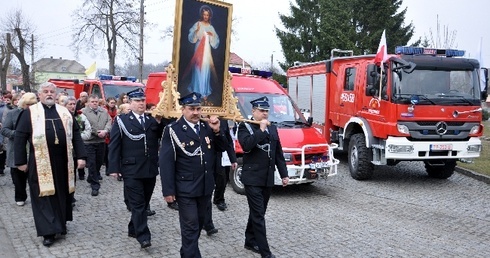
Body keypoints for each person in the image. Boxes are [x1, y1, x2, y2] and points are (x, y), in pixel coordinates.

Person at [14, 82, 87, 247]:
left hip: (63, 160)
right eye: (45, 92)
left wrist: (81, 156)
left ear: (56, 95)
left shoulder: (65, 113)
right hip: (40, 162)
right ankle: (48, 231)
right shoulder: (30, 113)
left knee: (61, 193)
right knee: (43, 195)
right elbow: (20, 137)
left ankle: (60, 225)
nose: (49, 94)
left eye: (52, 92)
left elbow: (76, 135)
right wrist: (20, 161)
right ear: (39, 95)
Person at [159, 92, 226, 257]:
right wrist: (168, 191)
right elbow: (166, 163)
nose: (196, 112)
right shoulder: (173, 130)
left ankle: (186, 252)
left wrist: (217, 132)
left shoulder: (206, 128)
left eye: (198, 108)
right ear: (183, 109)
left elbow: (222, 148)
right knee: (190, 226)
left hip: (205, 186)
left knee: (200, 223)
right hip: (185, 187)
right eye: (191, 109)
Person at [108, 88, 166, 249]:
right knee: (139, 204)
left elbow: (162, 134)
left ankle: (133, 227)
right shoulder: (122, 120)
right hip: (131, 169)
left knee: (144, 201)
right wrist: (114, 167)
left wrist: (161, 120)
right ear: (130, 103)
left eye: (143, 100)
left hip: (150, 168)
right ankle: (143, 236)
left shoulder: (151, 120)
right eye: (137, 101)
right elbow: (114, 145)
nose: (141, 103)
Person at [237, 96, 289, 258]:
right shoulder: (245, 126)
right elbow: (246, 146)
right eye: (261, 111)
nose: (265, 114)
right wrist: (260, 130)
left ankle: (249, 239)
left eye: (267, 111)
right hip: (252, 178)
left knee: (259, 212)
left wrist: (284, 174)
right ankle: (265, 252)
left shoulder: (272, 128)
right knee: (258, 215)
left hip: (267, 178)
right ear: (253, 111)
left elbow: (278, 152)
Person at [0, 93, 37, 206]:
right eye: (28, 104)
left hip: (33, 150)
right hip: (16, 149)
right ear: (23, 104)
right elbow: (4, 130)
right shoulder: (13, 113)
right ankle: (20, 196)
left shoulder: (38, 114)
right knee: (18, 178)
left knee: (34, 177)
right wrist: (19, 134)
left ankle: (36, 197)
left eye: (33, 104)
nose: (30, 107)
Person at [203, 118, 237, 236]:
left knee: (221, 178)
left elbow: (227, 140)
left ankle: (219, 199)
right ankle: (207, 224)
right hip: (203, 157)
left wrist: (233, 159)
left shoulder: (222, 120)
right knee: (206, 189)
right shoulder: (200, 118)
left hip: (217, 155)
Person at [185, 5, 220, 100]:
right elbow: (191, 37)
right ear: (202, 15)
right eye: (204, 14)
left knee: (205, 70)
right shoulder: (198, 24)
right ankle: (197, 90)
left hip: (207, 51)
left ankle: (204, 91)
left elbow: (216, 41)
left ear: (209, 16)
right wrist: (196, 31)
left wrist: (211, 36)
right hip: (198, 50)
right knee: (197, 69)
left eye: (207, 15)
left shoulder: (211, 27)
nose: (205, 16)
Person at [82, 95, 112, 196]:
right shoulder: (83, 112)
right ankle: (95, 185)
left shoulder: (103, 111)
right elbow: (84, 125)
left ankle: (91, 177)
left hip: (101, 141)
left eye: (96, 101)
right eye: (92, 102)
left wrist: (105, 131)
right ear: (88, 102)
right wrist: (96, 132)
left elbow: (109, 121)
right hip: (89, 141)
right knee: (91, 163)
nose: (95, 103)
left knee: (99, 162)